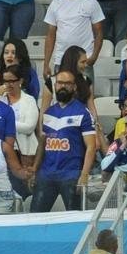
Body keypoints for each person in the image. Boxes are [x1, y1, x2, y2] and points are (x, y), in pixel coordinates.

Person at [31, 69, 96, 212]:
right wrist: (35, 169)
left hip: (71, 175)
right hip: (46, 174)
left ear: (74, 87)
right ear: (55, 86)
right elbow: (42, 144)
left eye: (67, 83)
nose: (63, 86)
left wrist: (84, 176)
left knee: (74, 219)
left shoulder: (83, 113)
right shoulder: (47, 113)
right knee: (35, 218)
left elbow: (91, 147)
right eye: (60, 83)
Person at [43, 0, 104, 77]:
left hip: (84, 61)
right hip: (61, 60)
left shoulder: (91, 2)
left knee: (86, 94)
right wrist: (46, 64)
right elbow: (50, 36)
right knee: (62, 94)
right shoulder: (55, 4)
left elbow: (99, 33)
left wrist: (94, 56)